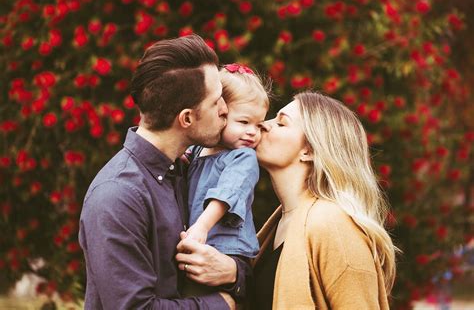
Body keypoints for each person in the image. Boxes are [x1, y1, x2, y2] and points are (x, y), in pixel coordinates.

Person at [78, 34, 251, 309]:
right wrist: (221, 305)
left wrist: (232, 273)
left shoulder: (189, 170)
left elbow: (227, 256)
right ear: (186, 118)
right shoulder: (117, 197)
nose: (225, 110)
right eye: (216, 101)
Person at [252, 91, 397, 309]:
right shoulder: (282, 222)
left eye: (281, 123)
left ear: (308, 150)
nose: (263, 124)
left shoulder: (334, 225)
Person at [181, 64, 269, 296]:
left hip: (226, 248)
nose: (253, 132)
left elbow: (226, 195)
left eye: (259, 125)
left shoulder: (243, 157)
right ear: (220, 113)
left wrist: (201, 226)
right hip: (201, 242)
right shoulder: (200, 150)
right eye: (243, 122)